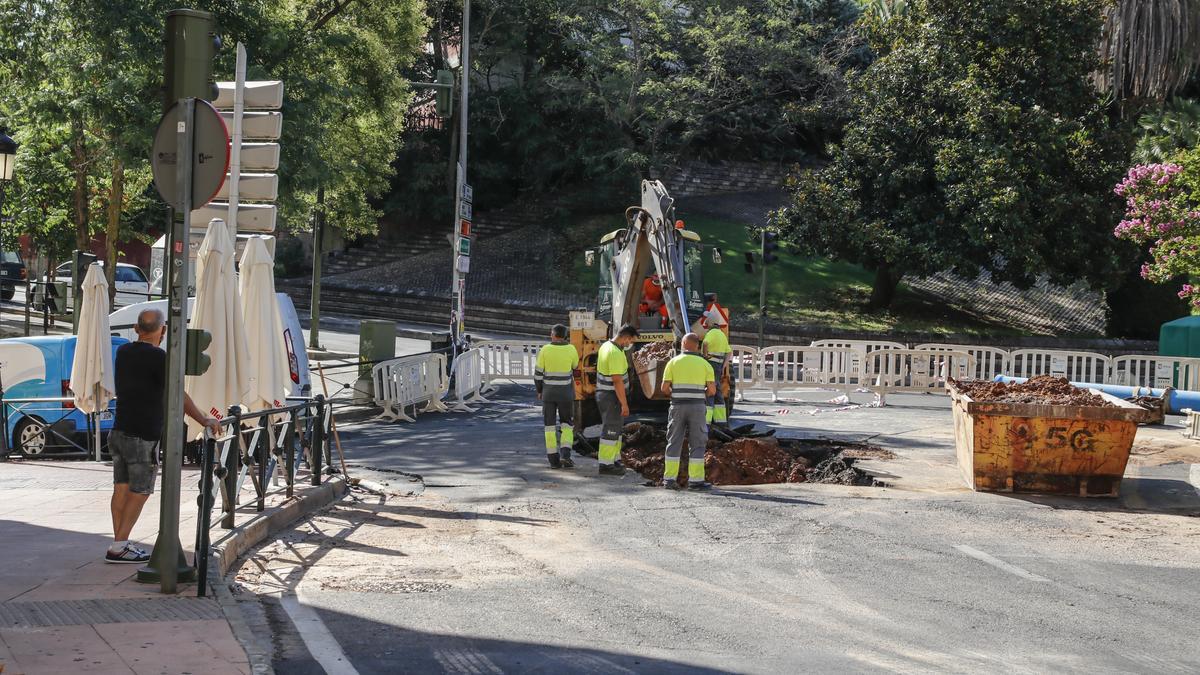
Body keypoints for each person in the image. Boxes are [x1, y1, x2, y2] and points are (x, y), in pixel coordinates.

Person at [106, 309, 220, 564]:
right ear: (164, 331)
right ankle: (119, 545)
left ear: (136, 329)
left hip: (119, 429)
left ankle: (119, 544)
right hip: (143, 434)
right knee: (141, 490)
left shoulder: (123, 353)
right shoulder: (161, 358)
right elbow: (178, 394)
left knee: (121, 487)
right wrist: (204, 419)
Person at [660, 333, 716, 491]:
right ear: (697, 346)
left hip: (677, 406)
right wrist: (701, 394)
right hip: (697, 407)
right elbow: (712, 390)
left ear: (683, 344)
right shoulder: (705, 364)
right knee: (697, 443)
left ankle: (669, 480)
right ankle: (696, 481)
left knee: (674, 442)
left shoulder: (672, 362)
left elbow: (664, 388)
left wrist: (676, 395)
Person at [595, 323, 639, 476]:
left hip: (607, 395)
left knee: (616, 429)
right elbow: (617, 380)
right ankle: (606, 464)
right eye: (631, 341)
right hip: (611, 396)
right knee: (611, 429)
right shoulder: (614, 352)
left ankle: (614, 459)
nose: (630, 344)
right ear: (625, 338)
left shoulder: (607, 346)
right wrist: (624, 404)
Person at [535, 324, 580, 469]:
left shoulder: (545, 350)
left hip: (548, 394)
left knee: (549, 426)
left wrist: (540, 390)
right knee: (567, 425)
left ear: (553, 335)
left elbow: (538, 375)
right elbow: (575, 367)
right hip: (566, 394)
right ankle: (565, 455)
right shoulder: (571, 349)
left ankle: (553, 460)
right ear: (565, 336)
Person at [701, 308, 731, 428]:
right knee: (717, 389)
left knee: (710, 390)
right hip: (718, 366)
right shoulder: (722, 335)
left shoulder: (710, 334)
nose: (705, 324)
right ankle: (721, 421)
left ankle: (706, 422)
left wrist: (704, 355)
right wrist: (724, 364)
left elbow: (705, 343)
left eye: (707, 322)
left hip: (710, 365)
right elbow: (729, 352)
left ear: (711, 323)